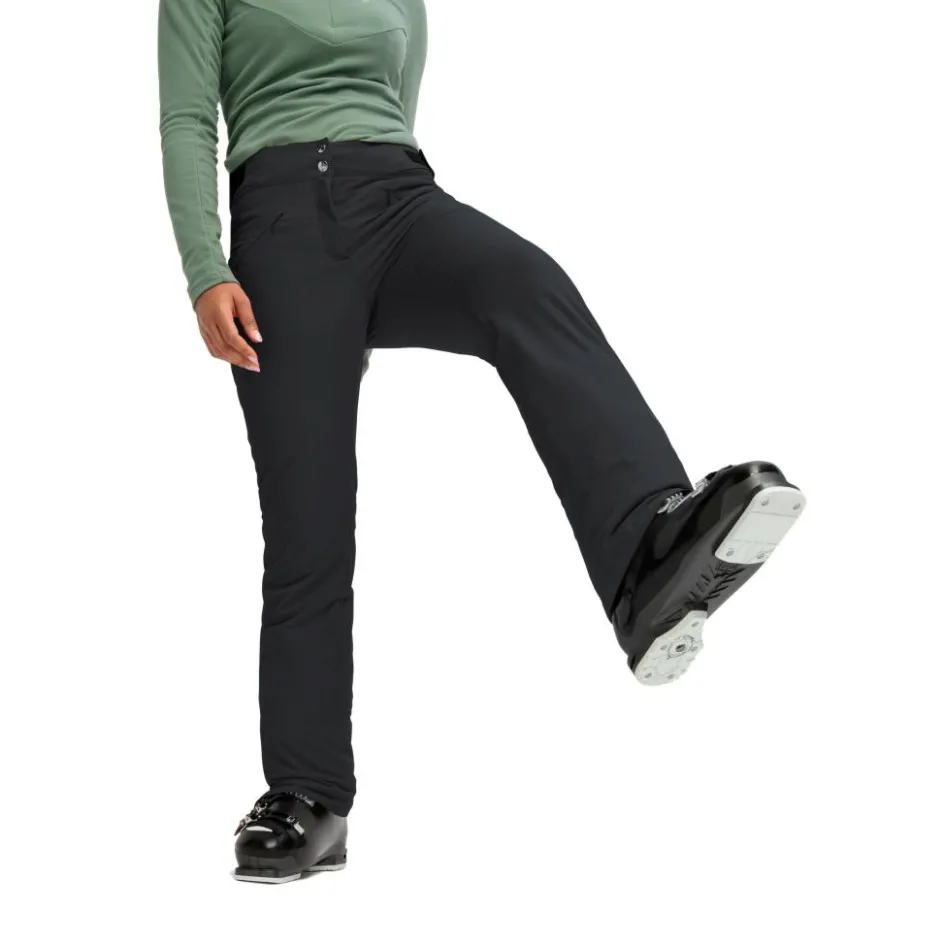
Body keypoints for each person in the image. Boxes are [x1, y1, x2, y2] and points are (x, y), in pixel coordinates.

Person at [159, 0, 806, 884]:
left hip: (400, 201)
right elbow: (188, 116)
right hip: (282, 228)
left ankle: (646, 552)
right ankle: (308, 795)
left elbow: (400, 96)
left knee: (527, 287)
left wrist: (377, 267)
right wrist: (206, 268)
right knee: (310, 523)